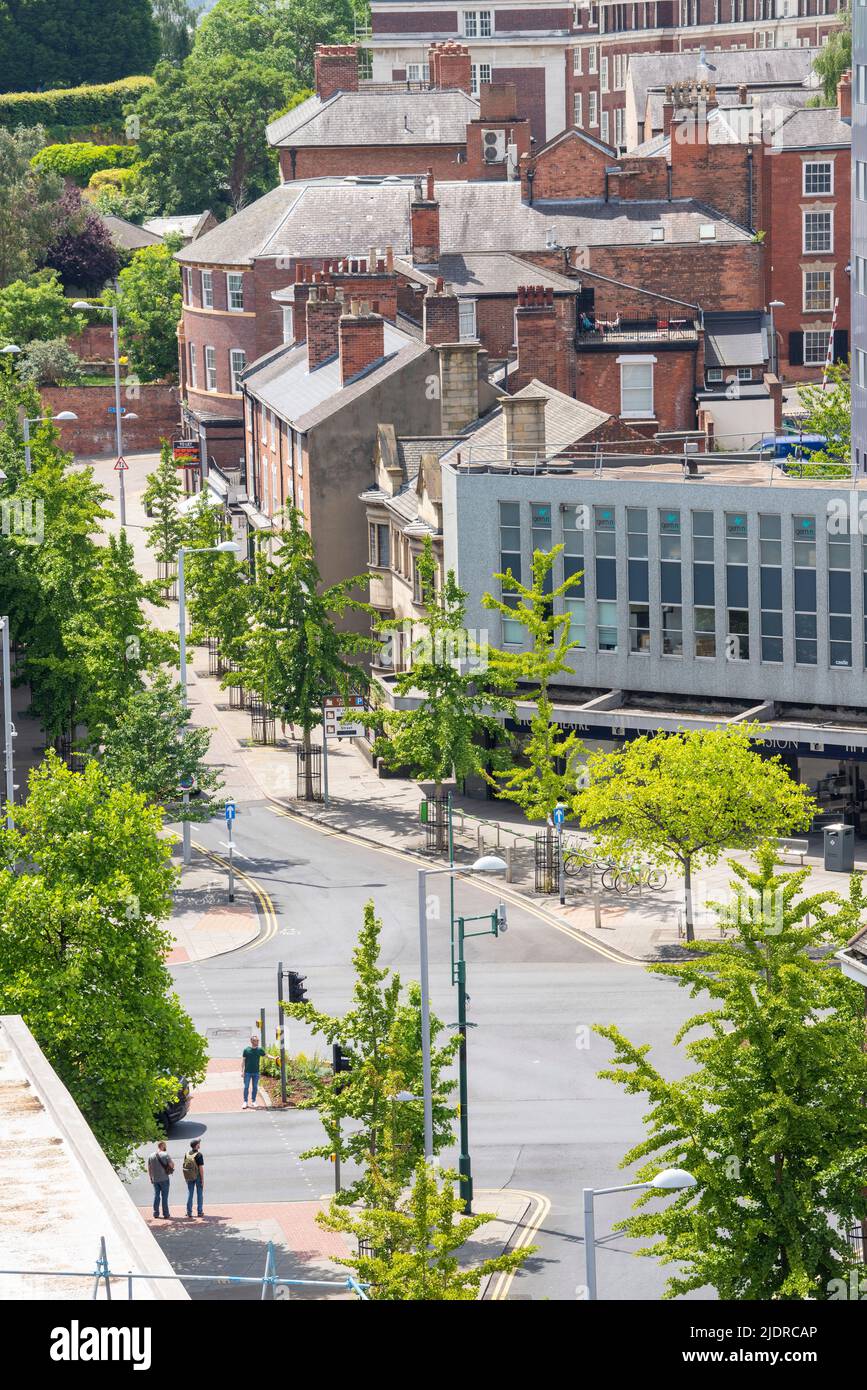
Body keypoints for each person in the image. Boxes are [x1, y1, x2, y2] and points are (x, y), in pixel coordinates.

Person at [147, 1139, 173, 1219]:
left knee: (156, 1196)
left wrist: (151, 1177)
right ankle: (166, 1214)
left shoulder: (151, 1155)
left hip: (155, 1179)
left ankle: (156, 1213)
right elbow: (172, 1165)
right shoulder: (165, 1154)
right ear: (162, 1146)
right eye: (165, 1146)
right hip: (164, 1178)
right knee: (164, 1197)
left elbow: (149, 1168)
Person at [242, 1033, 267, 1110]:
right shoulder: (246, 1050)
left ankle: (253, 1101)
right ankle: (245, 1102)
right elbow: (243, 1061)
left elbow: (266, 1055)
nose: (258, 1042)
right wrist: (242, 1072)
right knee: (246, 1087)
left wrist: (274, 1058)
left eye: (258, 1040)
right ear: (252, 1041)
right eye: (256, 1041)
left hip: (256, 1072)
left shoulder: (259, 1050)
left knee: (255, 1087)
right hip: (247, 1072)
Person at [183, 1139, 204, 1219]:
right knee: (199, 1194)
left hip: (189, 1176)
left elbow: (185, 1165)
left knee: (190, 1193)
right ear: (196, 1145)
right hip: (197, 1176)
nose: (200, 1144)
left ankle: (189, 1212)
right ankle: (199, 1212)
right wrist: (202, 1179)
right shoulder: (199, 1155)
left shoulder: (187, 1154)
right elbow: (201, 1168)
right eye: (199, 1143)